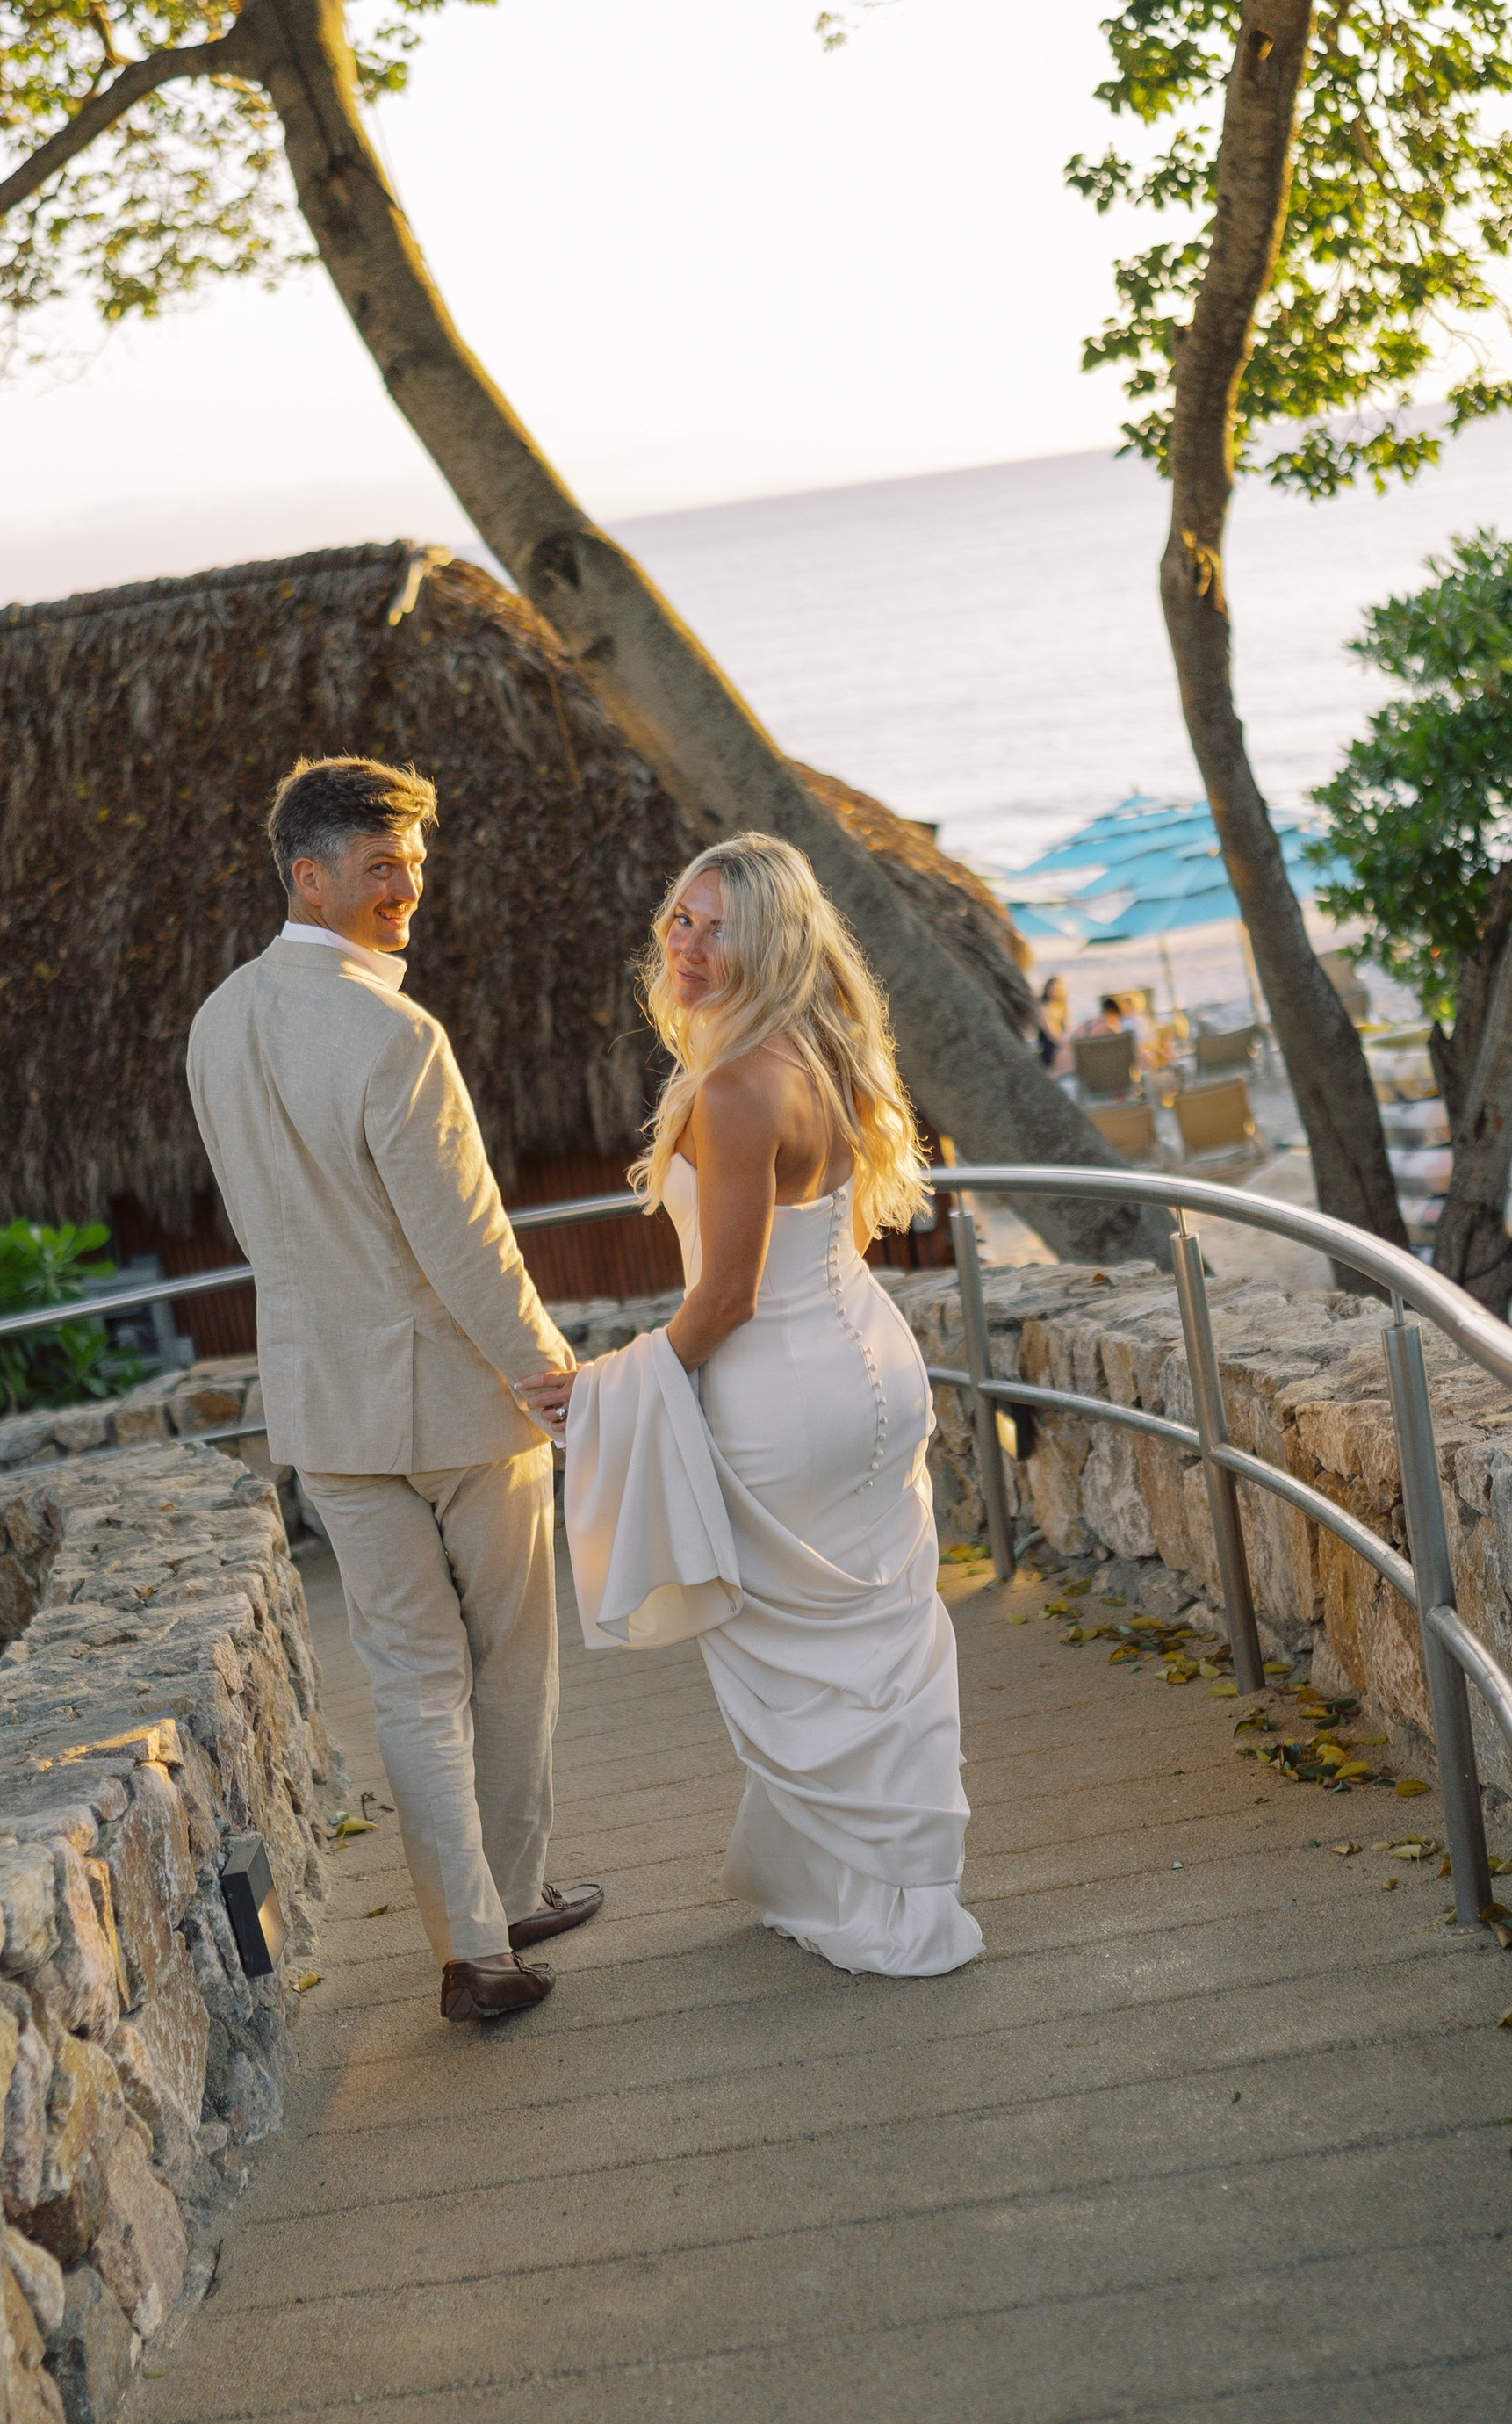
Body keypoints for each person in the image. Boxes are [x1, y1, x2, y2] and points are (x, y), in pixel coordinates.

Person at [186, 756, 604, 2031]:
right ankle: (511, 1899)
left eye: (415, 862)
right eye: (381, 867)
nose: (406, 888)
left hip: (324, 1405)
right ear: (308, 876)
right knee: (513, 1656)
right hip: (458, 1400)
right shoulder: (392, 1033)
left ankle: (474, 1947)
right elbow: (466, 1242)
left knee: (412, 1675)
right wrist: (552, 1376)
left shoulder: (214, 1023)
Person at [529, 834, 980, 1980]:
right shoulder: (820, 1057)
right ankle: (885, 1890)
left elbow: (725, 1296)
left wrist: (603, 1390)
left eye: (715, 924)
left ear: (770, 938)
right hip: (870, 1368)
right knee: (879, 1640)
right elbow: (840, 1234)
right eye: (678, 918)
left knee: (798, 1657)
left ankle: (875, 1900)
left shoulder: (734, 1089)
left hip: (778, 1398)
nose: (684, 941)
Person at [1034, 974, 1069, 1071]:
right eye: (1052, 989)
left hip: (1061, 1043)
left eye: (1057, 989)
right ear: (1047, 990)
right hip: (1048, 1047)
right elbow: (1051, 1034)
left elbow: (1068, 1028)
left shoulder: (1062, 1006)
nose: (1055, 992)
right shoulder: (1043, 1008)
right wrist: (1067, 1046)